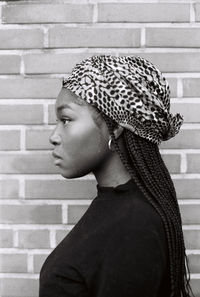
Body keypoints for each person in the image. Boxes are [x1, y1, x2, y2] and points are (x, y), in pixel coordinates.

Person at [39, 55, 194, 297]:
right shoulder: (116, 204)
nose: (54, 136)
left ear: (117, 128)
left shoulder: (133, 225)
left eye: (66, 120)